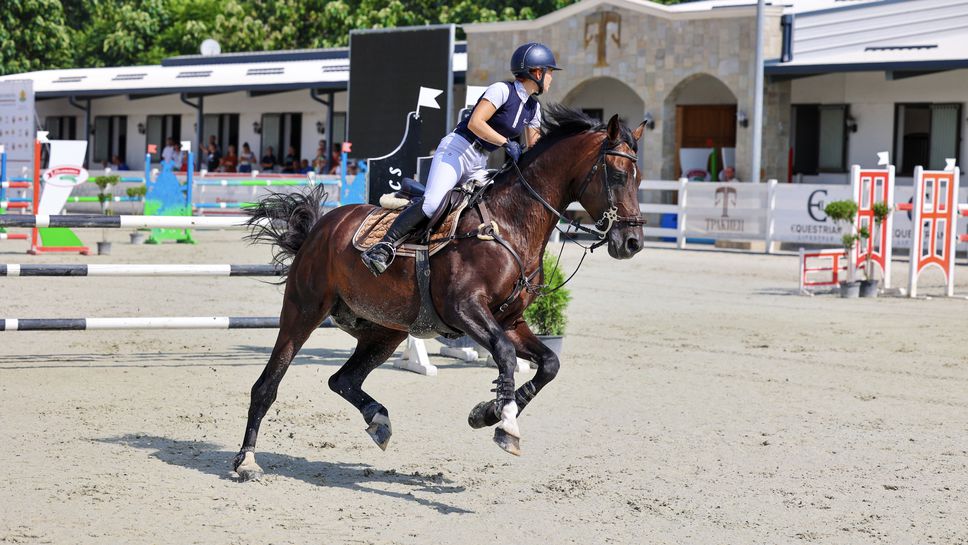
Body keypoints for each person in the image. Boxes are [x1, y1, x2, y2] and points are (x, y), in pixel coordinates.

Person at [361, 42, 560, 275]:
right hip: (457, 149)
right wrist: (506, 143)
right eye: (550, 73)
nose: (551, 79)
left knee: (490, 207)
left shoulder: (533, 109)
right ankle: (383, 246)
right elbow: (476, 123)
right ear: (536, 72)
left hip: (479, 162)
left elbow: (534, 146)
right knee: (433, 204)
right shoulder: (501, 90)